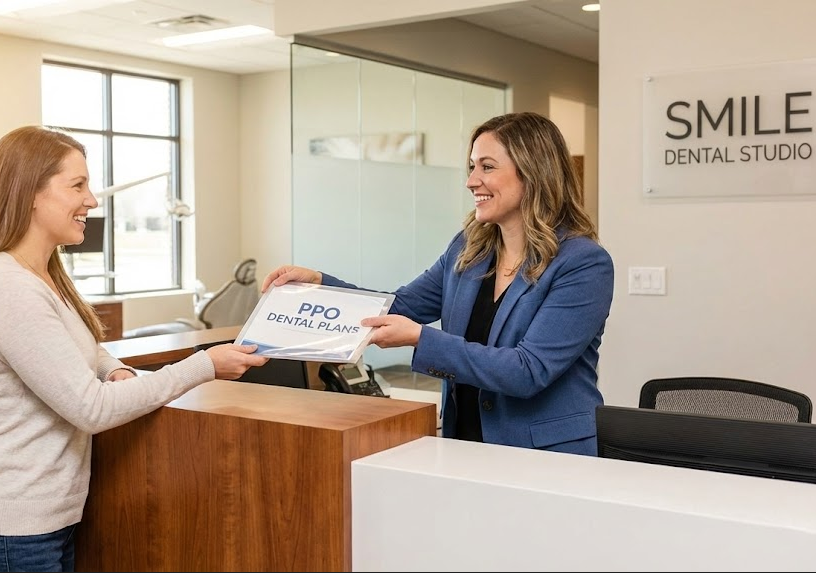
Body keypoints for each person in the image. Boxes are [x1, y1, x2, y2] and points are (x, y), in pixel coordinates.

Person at [0, 125, 267, 572]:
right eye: (78, 185)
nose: (92, 200)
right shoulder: (7, 287)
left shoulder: (42, 275)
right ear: (30, 193)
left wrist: (114, 370)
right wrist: (202, 365)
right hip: (5, 533)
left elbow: (86, 350)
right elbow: (91, 410)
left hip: (43, 524)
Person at [263, 111, 614, 456]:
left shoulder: (582, 263)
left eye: (487, 167)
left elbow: (527, 370)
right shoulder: (468, 250)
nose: (471, 181)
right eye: (472, 167)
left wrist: (420, 338)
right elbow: (398, 307)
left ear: (534, 173)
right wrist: (321, 284)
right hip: (463, 443)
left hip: (545, 455)